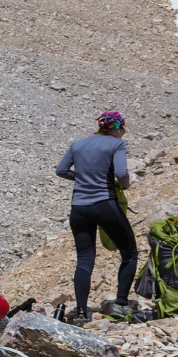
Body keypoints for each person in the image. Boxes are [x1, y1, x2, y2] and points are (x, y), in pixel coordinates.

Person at [55, 111, 137, 322]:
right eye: (123, 129)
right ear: (118, 128)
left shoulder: (78, 144)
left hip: (79, 208)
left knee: (85, 258)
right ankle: (120, 304)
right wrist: (124, 185)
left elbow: (61, 170)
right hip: (105, 203)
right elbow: (121, 173)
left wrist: (80, 178)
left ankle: (82, 311)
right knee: (129, 252)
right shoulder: (117, 144)